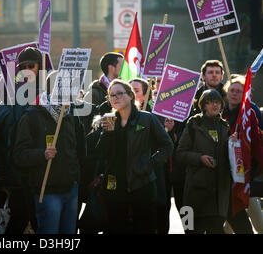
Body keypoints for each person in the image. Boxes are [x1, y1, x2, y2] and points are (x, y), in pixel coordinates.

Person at [96, 79, 173, 234]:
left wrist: (149, 164)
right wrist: (106, 134)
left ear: (131, 96)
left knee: (144, 228)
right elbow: (100, 153)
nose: (115, 98)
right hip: (116, 185)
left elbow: (167, 145)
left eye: (119, 93)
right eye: (111, 95)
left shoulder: (147, 118)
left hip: (142, 183)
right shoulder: (108, 120)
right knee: (117, 228)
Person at [13, 88, 86, 234]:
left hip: (71, 188)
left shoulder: (70, 115)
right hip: (47, 190)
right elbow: (19, 155)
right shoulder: (31, 116)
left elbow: (78, 150)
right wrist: (42, 154)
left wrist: (76, 178)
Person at [0, 46, 44, 234]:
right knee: (19, 219)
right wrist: (2, 176)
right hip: (18, 173)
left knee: (41, 223)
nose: (28, 70)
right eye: (24, 66)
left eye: (32, 66)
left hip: (45, 172)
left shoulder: (49, 93)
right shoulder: (10, 95)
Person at [175, 89, 233, 234]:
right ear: (203, 105)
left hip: (219, 193)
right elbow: (180, 154)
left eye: (217, 102)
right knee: (194, 230)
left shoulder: (225, 126)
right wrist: (199, 158)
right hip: (197, 191)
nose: (214, 105)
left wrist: (234, 144)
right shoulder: (194, 124)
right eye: (210, 102)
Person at [222, 76, 263, 234]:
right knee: (230, 223)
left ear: (244, 94)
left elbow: (257, 143)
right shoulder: (220, 112)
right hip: (225, 176)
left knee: (252, 221)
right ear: (227, 92)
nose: (234, 94)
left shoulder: (249, 114)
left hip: (243, 174)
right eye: (232, 90)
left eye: (239, 91)